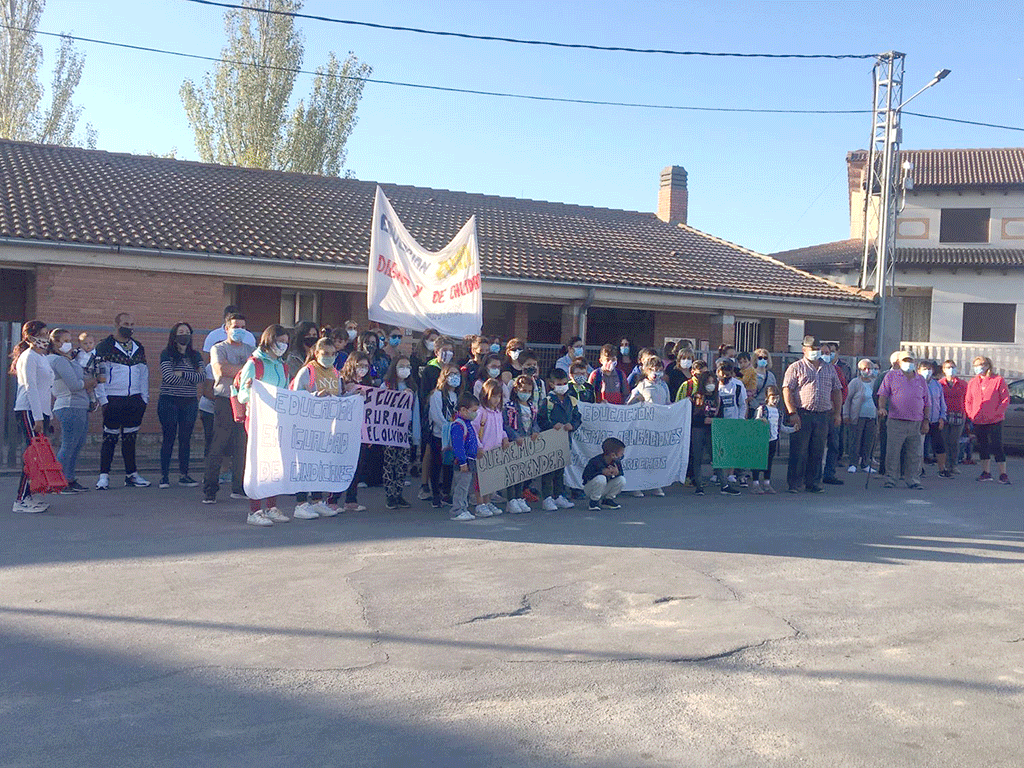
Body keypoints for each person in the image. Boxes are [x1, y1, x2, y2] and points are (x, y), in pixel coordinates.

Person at [234, 325, 293, 525]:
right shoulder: (254, 363)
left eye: (286, 342)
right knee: (259, 464)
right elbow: (242, 396)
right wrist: (250, 390)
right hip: (258, 420)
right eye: (280, 341)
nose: (283, 346)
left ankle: (271, 506)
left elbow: (285, 393)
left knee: (275, 464)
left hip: (277, 420)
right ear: (269, 340)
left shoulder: (282, 366)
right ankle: (254, 510)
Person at [202, 313, 254, 504]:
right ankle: (210, 489)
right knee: (219, 443)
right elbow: (221, 370)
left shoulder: (251, 350)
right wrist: (244, 370)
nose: (239, 330)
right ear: (226, 328)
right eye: (235, 326)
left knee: (242, 444)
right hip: (224, 399)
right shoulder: (218, 348)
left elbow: (256, 371)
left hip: (245, 400)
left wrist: (238, 370)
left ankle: (239, 486)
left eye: (242, 326)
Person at [95, 312, 150, 489]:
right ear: (116, 324)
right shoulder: (105, 347)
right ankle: (104, 476)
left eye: (132, 323)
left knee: (130, 438)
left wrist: (144, 398)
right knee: (109, 438)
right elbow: (99, 374)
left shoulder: (138, 347)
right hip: (113, 398)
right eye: (126, 323)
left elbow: (143, 374)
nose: (130, 327)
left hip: (134, 399)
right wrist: (103, 400)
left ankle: (131, 474)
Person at [289, 338, 343, 519]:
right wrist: (314, 396)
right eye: (325, 353)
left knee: (320, 464)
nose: (329, 357)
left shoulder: (336, 373)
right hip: (307, 425)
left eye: (332, 354)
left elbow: (340, 397)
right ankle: (301, 503)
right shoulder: (308, 371)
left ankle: (318, 501)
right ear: (316, 353)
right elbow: (295, 397)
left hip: (326, 426)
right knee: (304, 464)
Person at [783, 335, 843, 494]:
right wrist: (792, 412)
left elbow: (837, 390)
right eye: (812, 349)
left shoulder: (829, 368)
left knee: (817, 450)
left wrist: (837, 413)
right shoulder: (795, 367)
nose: (816, 352)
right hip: (803, 413)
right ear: (804, 349)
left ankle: (814, 482)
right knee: (799, 450)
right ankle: (795, 483)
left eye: (818, 349)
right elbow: (787, 390)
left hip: (823, 414)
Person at [11, 321, 54, 513]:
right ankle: (20, 500)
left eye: (47, 334)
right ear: (30, 337)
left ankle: (29, 495)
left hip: (40, 411)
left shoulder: (42, 357)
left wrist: (47, 415)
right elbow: (31, 388)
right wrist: (37, 418)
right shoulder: (29, 357)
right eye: (42, 334)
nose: (46, 338)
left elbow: (47, 388)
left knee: (37, 455)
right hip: (28, 410)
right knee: (33, 455)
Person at [157, 322, 205, 489]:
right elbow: (168, 377)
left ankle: (184, 474)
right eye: (181, 332)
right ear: (174, 335)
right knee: (169, 438)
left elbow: (202, 377)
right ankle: (164, 476)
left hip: (189, 402)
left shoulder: (195, 355)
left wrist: (182, 373)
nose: (184, 334)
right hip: (169, 400)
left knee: (186, 439)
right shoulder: (167, 354)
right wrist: (191, 376)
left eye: (187, 332)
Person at [48, 328, 94, 494]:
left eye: (70, 340)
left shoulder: (68, 359)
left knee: (77, 444)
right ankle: (57, 481)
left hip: (80, 405)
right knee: (68, 444)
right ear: (55, 342)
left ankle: (69, 477)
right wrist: (90, 382)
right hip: (69, 405)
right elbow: (74, 385)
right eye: (65, 340)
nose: (69, 344)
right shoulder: (57, 360)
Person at [877, 352, 929, 490]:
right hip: (896, 421)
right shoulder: (891, 376)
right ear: (899, 362)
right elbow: (882, 394)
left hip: (916, 422)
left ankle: (913, 479)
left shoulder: (921, 380)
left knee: (915, 453)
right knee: (893, 452)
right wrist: (882, 408)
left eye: (910, 360)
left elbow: (927, 402)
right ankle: (891, 479)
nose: (908, 363)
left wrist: (926, 421)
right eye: (905, 360)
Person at [626, 356, 670, 497]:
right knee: (641, 456)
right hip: (644, 427)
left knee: (655, 457)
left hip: (659, 426)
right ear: (646, 370)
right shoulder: (641, 385)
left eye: (659, 370)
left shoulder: (663, 386)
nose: (656, 373)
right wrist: (637, 400)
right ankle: (636, 485)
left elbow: (668, 403)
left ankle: (655, 484)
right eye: (652, 370)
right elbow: (628, 405)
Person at [538, 368, 581, 510]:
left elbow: (577, 418)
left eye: (564, 383)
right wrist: (551, 426)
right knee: (549, 471)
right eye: (559, 384)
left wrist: (572, 425)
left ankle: (559, 496)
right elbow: (540, 420)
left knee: (560, 471)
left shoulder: (571, 400)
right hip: (550, 440)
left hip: (565, 440)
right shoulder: (548, 401)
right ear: (551, 384)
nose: (562, 386)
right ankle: (547, 498)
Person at [381, 354, 420, 510]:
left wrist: (416, 437)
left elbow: (415, 412)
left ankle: (399, 493)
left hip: (405, 429)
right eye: (401, 366)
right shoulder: (386, 386)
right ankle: (390, 495)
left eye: (408, 367)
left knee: (402, 463)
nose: (405, 370)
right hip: (390, 429)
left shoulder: (412, 389)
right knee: (390, 463)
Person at [965, 356, 1011, 484]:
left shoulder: (998, 380)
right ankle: (986, 472)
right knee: (982, 446)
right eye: (976, 365)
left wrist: (997, 413)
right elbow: (968, 400)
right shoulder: (973, 382)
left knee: (997, 446)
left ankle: (1003, 474)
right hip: (978, 420)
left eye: (981, 364)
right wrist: (971, 414)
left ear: (988, 365)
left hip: (995, 420)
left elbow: (1005, 399)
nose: (979, 367)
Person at [339, 353, 373, 512]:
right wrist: (350, 394)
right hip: (345, 430)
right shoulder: (341, 381)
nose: (363, 369)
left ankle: (351, 500)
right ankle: (333, 499)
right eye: (360, 365)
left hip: (362, 431)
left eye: (366, 366)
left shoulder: (368, 384)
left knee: (358, 464)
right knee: (342, 465)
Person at [471, 378, 509, 518]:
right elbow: (473, 431)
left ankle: (487, 502)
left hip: (495, 451)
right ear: (486, 395)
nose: (496, 399)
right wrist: (479, 447)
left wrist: (504, 437)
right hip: (483, 451)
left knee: (490, 481)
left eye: (499, 396)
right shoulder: (481, 412)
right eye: (493, 396)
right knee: (480, 481)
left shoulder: (498, 412)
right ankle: (480, 504)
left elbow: (501, 428)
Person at [503, 374, 541, 513]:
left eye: (528, 391)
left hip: (527, 442)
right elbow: (506, 425)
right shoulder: (510, 407)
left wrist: (535, 431)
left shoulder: (532, 406)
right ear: (516, 389)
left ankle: (519, 497)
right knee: (512, 473)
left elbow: (535, 422)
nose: (525, 394)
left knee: (522, 472)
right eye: (523, 390)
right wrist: (515, 436)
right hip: (515, 442)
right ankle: (511, 499)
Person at [427, 362, 461, 508]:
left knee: (449, 465)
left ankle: (447, 493)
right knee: (436, 464)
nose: (454, 377)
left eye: (457, 374)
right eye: (450, 374)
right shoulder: (437, 394)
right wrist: (448, 428)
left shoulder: (458, 395)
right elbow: (436, 415)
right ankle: (435, 493)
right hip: (439, 435)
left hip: (454, 437)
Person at [751, 386, 795, 494]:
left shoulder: (779, 412)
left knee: (769, 462)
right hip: (762, 440)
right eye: (773, 398)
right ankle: (755, 483)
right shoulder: (762, 409)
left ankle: (767, 483)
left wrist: (793, 429)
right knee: (758, 461)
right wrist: (761, 419)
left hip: (773, 439)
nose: (775, 401)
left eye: (777, 398)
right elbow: (755, 422)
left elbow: (781, 427)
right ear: (767, 398)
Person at [448, 393, 481, 521]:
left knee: (465, 486)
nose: (475, 414)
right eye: (473, 411)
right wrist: (462, 462)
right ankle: (457, 510)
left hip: (469, 460)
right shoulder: (458, 425)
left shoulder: (467, 424)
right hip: (463, 461)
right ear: (463, 410)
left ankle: (463, 508)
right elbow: (458, 446)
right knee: (461, 487)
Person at [715, 359, 746, 494]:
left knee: (731, 448)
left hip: (733, 419)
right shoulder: (714, 384)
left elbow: (743, 404)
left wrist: (740, 420)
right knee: (719, 448)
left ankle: (730, 474)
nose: (725, 377)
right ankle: (718, 473)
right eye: (723, 374)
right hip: (718, 421)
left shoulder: (737, 385)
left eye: (728, 374)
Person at [843, 359, 878, 473]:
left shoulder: (875, 382)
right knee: (855, 440)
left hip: (871, 416)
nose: (867, 371)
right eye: (864, 368)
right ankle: (853, 463)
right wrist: (846, 415)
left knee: (868, 441)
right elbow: (847, 400)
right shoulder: (855, 383)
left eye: (869, 368)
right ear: (859, 370)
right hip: (857, 417)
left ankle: (865, 463)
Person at [688, 370, 719, 497]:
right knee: (698, 457)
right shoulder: (697, 396)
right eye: (708, 382)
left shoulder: (717, 397)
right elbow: (692, 416)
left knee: (716, 457)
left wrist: (714, 420)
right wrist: (703, 420)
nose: (711, 384)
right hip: (698, 429)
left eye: (713, 382)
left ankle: (724, 484)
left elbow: (720, 414)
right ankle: (699, 485)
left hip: (713, 429)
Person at [821, 343, 848, 485]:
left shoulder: (837, 370)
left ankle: (829, 473)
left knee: (833, 444)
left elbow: (843, 390)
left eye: (831, 352)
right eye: (825, 352)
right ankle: (813, 473)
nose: (828, 355)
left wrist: (837, 408)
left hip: (833, 413)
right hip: (818, 412)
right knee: (816, 444)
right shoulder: (814, 369)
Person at [919, 360, 950, 478]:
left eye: (929, 369)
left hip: (935, 420)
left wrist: (942, 417)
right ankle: (920, 468)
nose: (928, 371)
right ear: (919, 371)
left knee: (939, 446)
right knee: (920, 446)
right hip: (921, 421)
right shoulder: (916, 383)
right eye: (925, 369)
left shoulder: (936, 384)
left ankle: (942, 469)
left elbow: (942, 402)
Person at [582, 437, 626, 511]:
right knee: (601, 478)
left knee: (621, 479)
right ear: (612, 454)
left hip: (605, 488)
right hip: (591, 488)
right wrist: (601, 472)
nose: (622, 455)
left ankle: (608, 500)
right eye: (621, 453)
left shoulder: (616, 462)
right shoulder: (595, 461)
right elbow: (585, 476)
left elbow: (621, 474)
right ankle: (594, 501)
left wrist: (617, 473)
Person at [940, 359, 968, 474]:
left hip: (959, 414)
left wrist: (966, 413)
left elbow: (968, 399)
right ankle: (946, 465)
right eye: (947, 367)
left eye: (952, 367)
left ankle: (954, 464)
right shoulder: (940, 384)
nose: (950, 369)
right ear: (943, 370)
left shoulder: (963, 384)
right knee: (945, 441)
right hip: (944, 415)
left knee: (954, 441)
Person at [75, 332, 102, 410]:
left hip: (89, 372)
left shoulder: (96, 355)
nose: (88, 345)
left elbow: (97, 367)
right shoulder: (77, 352)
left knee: (91, 390)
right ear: (80, 344)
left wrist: (97, 378)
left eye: (90, 343)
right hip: (78, 372)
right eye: (85, 343)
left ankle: (93, 402)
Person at [198, 362, 216, 459]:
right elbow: (207, 391)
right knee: (210, 437)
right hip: (208, 408)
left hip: (225, 407)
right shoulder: (211, 366)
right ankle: (209, 466)